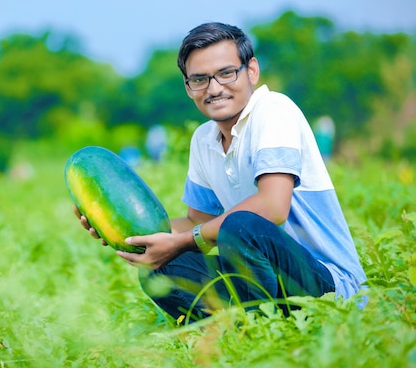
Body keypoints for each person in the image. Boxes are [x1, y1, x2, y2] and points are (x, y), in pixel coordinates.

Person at [74, 22, 367, 322]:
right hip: (263, 273)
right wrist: (122, 230)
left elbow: (273, 206)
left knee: (241, 227)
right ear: (188, 88)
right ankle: (239, 333)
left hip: (330, 288)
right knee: (161, 270)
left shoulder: (274, 110)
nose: (214, 89)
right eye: (199, 79)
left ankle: (267, 329)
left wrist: (184, 240)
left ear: (251, 70)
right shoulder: (203, 140)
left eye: (226, 73)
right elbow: (196, 222)